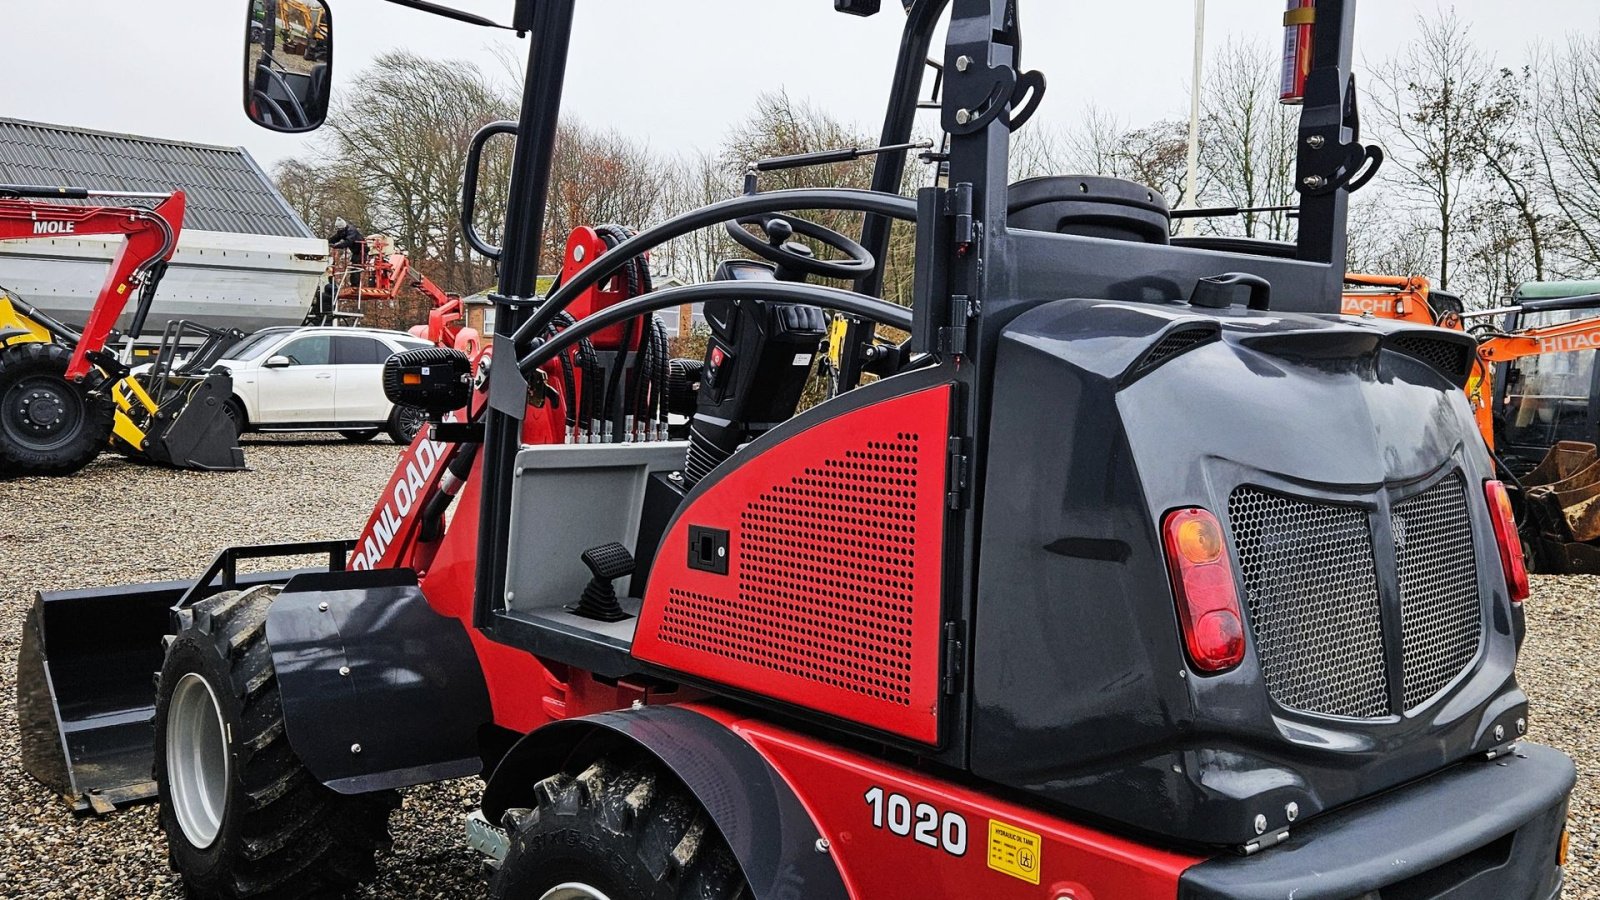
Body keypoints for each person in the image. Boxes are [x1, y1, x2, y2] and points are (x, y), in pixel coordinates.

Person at [328, 217, 368, 287]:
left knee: (356, 267)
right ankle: (354, 285)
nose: (339, 231)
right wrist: (327, 242)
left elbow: (348, 242)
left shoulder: (351, 231)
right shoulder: (343, 231)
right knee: (354, 266)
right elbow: (336, 238)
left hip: (362, 251)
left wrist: (336, 246)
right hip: (356, 251)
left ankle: (355, 286)